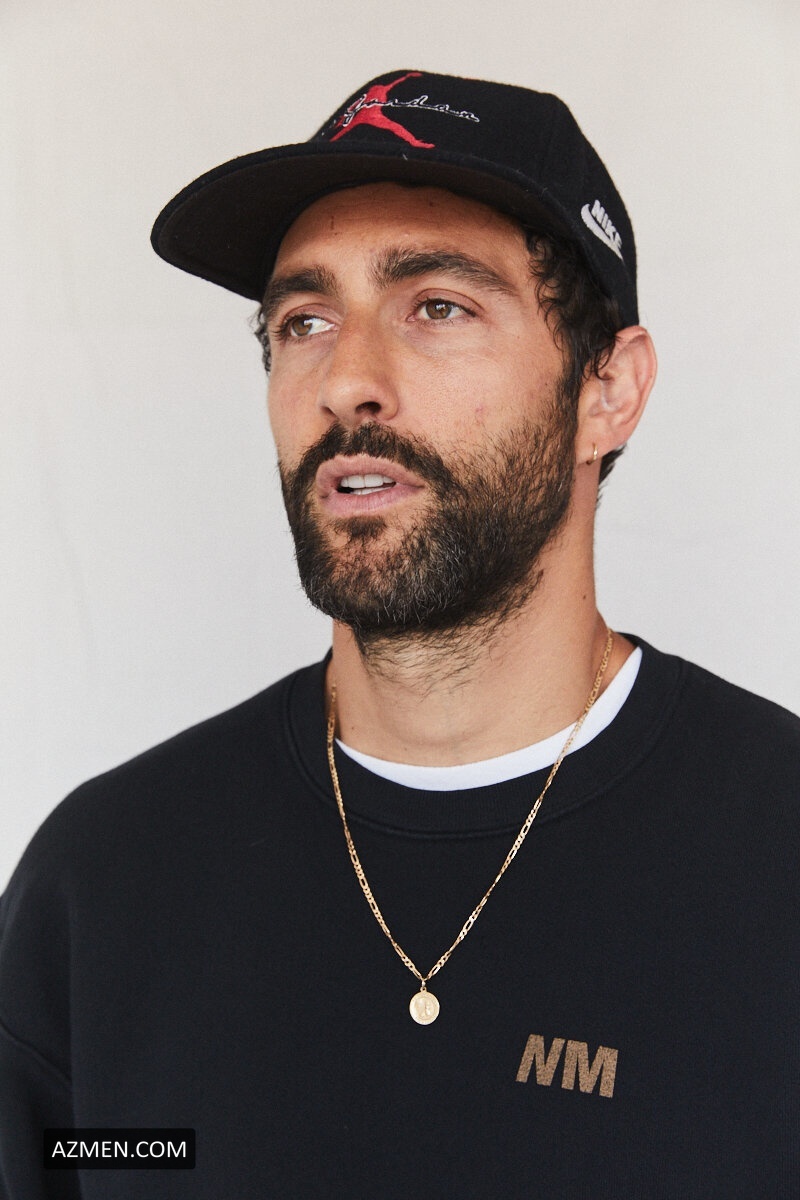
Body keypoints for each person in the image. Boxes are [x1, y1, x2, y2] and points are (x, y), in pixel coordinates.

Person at [0, 69, 797, 1199]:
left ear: (607, 391)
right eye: (304, 321)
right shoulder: (105, 884)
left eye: (438, 306)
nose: (347, 382)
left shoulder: (773, 856)